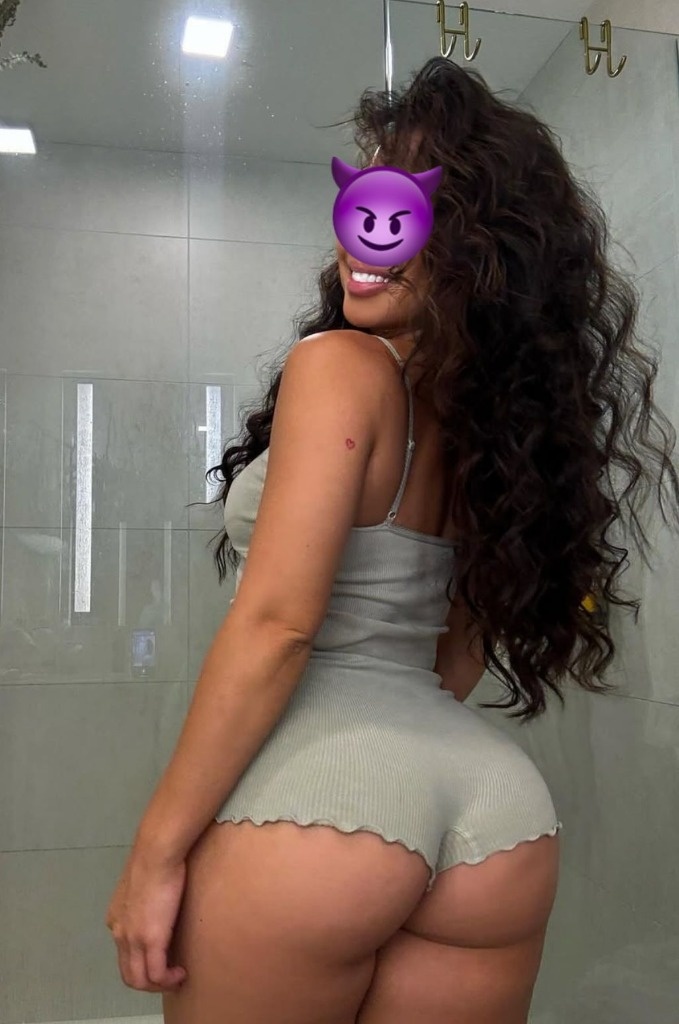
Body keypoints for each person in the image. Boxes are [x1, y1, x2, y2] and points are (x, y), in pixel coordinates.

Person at [106, 56, 679, 1023]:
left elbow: (279, 625)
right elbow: (455, 653)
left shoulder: (339, 366)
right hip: (493, 815)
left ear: (476, 248)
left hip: (321, 798)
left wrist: (154, 854)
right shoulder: (502, 435)